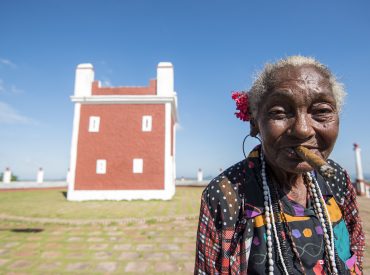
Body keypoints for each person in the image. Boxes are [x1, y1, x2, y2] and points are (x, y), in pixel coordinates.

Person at [194, 56, 364, 274]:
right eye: (280, 113)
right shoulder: (226, 194)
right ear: (255, 124)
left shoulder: (337, 177)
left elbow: (354, 245)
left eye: (321, 111)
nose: (303, 130)